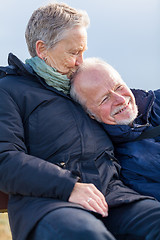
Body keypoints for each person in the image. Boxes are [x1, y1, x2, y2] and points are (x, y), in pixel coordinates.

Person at [0, 3, 160, 240]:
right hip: (50, 204)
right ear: (42, 49)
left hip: (113, 198)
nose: (80, 61)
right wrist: (68, 186)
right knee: (86, 234)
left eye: (83, 51)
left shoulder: (80, 89)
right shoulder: (9, 90)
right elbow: (4, 158)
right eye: (74, 52)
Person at [70, 57, 160, 202]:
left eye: (119, 87)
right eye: (105, 99)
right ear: (90, 114)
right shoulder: (125, 165)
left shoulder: (155, 101)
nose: (121, 100)